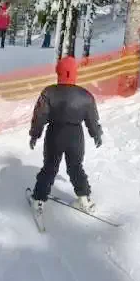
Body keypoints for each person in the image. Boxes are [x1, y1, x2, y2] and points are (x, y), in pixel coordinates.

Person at [28, 56, 102, 215]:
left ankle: (38, 200)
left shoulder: (49, 92)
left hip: (55, 133)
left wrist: (35, 134)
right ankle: (84, 199)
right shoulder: (86, 95)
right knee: (76, 167)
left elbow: (40, 115)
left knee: (50, 167)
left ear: (58, 72)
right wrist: (96, 134)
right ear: (75, 73)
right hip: (76, 135)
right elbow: (92, 118)